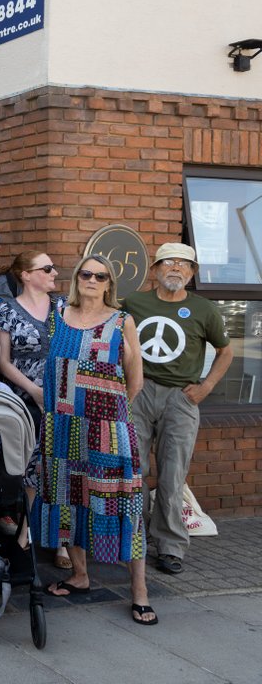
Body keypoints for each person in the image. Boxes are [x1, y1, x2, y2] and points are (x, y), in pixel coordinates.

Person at [33, 255, 155, 626]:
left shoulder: (122, 321)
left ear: (109, 284)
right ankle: (80, 575)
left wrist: (111, 413)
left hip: (108, 428)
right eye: (85, 274)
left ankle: (139, 591)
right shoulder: (57, 315)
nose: (91, 280)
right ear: (77, 279)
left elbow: (135, 379)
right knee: (67, 498)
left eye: (100, 276)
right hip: (62, 425)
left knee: (124, 504)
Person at [123, 243, 233, 576]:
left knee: (173, 475)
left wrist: (206, 387)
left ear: (192, 273)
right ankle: (134, 539)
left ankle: (170, 546)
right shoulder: (132, 304)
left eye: (184, 264)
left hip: (181, 399)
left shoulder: (204, 309)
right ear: (154, 270)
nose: (176, 268)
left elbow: (225, 351)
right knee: (133, 471)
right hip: (138, 394)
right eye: (168, 262)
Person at [0, 250, 67, 566]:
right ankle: (25, 533)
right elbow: (3, 360)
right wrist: (33, 389)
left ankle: (64, 541)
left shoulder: (64, 307)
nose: (53, 273)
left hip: (63, 396)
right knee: (32, 467)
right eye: (46, 268)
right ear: (26, 274)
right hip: (26, 399)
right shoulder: (6, 311)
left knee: (64, 466)